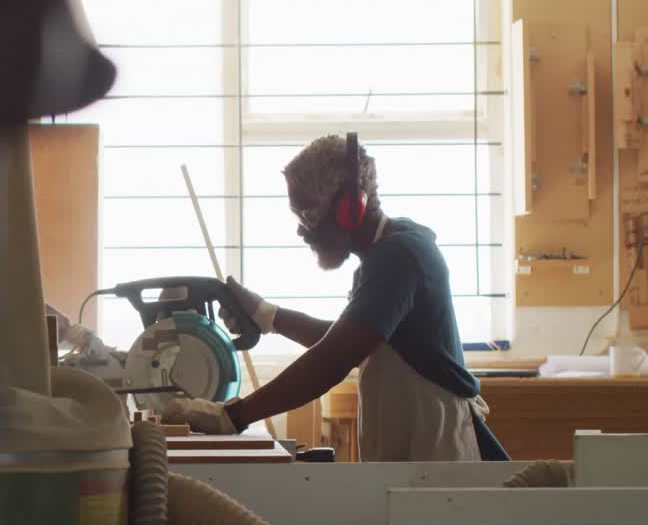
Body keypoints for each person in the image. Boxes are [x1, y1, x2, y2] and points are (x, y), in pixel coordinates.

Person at [163, 133, 508, 462]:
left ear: (350, 208)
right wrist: (267, 316)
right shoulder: (387, 252)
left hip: (436, 450)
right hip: (420, 447)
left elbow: (335, 358)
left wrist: (233, 416)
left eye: (308, 215)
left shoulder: (398, 256)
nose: (301, 230)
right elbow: (354, 338)